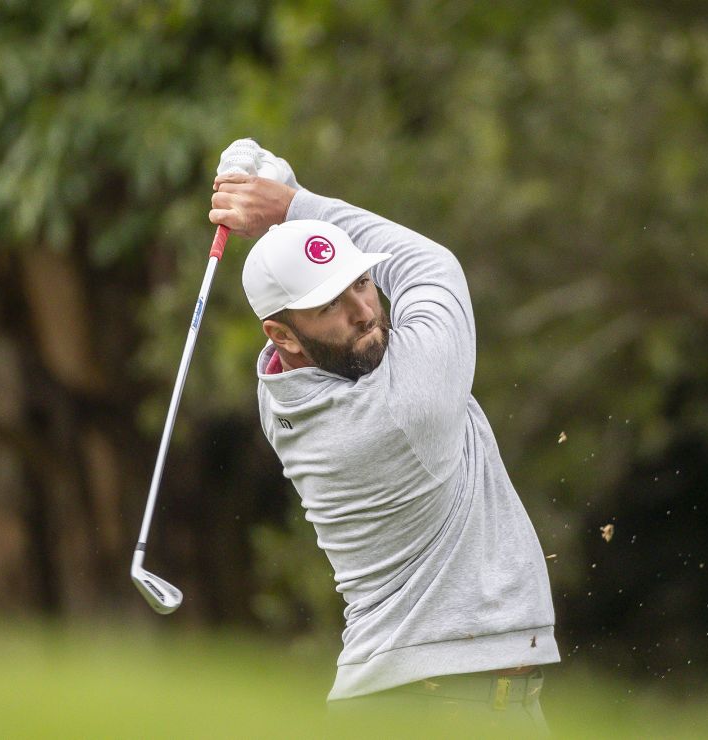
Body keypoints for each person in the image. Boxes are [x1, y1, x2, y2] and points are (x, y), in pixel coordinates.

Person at [208, 140, 560, 731]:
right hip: (441, 703)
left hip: (432, 695)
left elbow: (343, 282)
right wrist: (294, 204)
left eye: (363, 283)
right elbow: (429, 265)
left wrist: (287, 221)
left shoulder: (282, 388)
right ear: (283, 334)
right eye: (330, 304)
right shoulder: (405, 405)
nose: (364, 311)